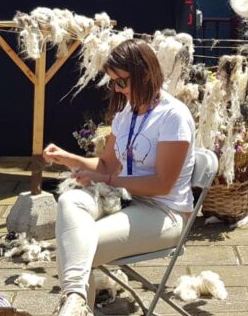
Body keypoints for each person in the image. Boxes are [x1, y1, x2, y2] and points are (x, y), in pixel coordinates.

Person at [42, 39, 195, 316]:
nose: (117, 89)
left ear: (145, 74)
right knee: (71, 200)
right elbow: (106, 165)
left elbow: (161, 183)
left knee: (76, 247)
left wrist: (111, 181)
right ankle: (76, 302)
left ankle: (74, 306)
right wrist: (66, 157)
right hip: (128, 201)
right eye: (113, 82)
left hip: (165, 212)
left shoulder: (173, 116)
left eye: (122, 81)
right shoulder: (127, 113)